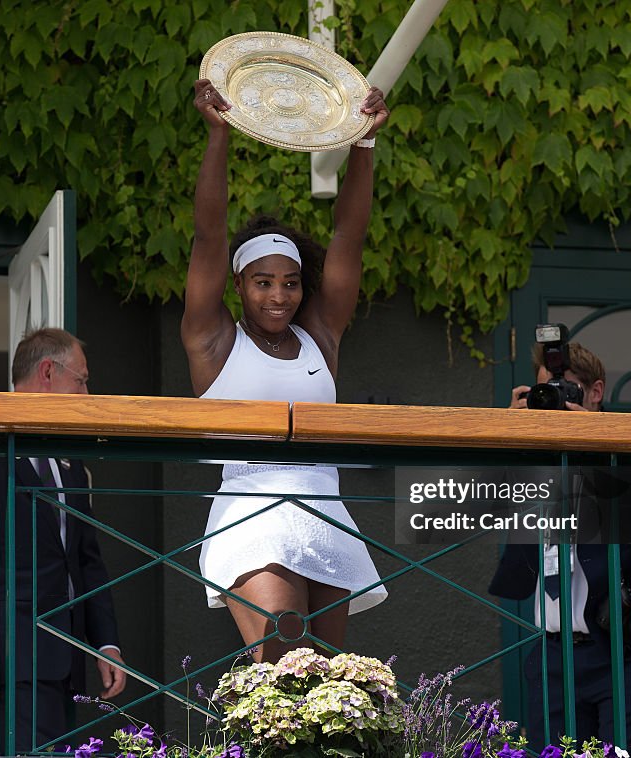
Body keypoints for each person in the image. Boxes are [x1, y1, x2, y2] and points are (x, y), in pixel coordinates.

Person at [181, 79, 389, 663]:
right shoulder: (213, 339)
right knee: (283, 664)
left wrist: (365, 145)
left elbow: (350, 235)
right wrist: (218, 136)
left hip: (327, 508)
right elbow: (209, 235)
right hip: (251, 512)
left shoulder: (319, 336)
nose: (279, 296)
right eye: (263, 282)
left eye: (291, 282)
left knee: (331, 683)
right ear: (239, 284)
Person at [0, 328, 126, 755]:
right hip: (8, 654)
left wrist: (105, 642)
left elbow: (86, 559)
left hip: (65, 654)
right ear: (48, 372)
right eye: (82, 380)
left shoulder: (70, 461)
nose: (87, 393)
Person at [491, 341, 631, 755]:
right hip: (552, 653)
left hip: (620, 648)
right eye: (544, 394)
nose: (553, 404)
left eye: (564, 391)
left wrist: (591, 438)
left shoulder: (626, 450)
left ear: (595, 393)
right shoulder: (534, 460)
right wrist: (506, 436)